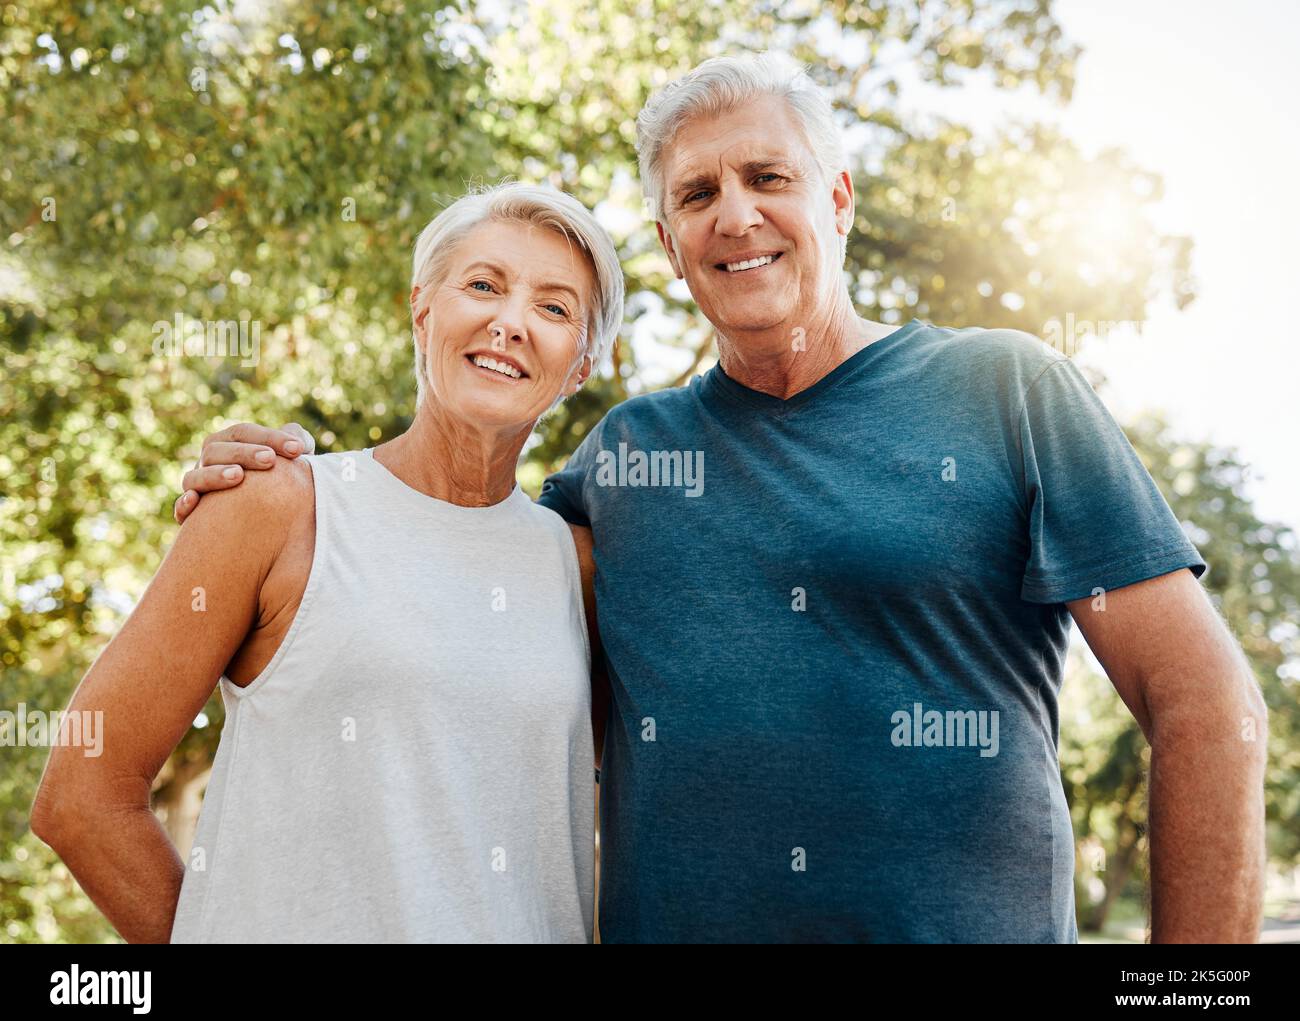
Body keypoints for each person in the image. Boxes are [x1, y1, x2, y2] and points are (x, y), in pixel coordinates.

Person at [173, 52, 1268, 943]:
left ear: (837, 199)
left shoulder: (1005, 389)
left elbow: (1204, 704)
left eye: (767, 177)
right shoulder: (622, 461)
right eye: (697, 193)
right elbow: (438, 568)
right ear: (669, 245)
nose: (733, 214)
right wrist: (283, 484)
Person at [30, 182, 624, 943]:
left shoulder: (580, 570)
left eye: (554, 308)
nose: (509, 323)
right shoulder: (278, 506)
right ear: (423, 309)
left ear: (579, 367)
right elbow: (83, 795)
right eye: (483, 286)